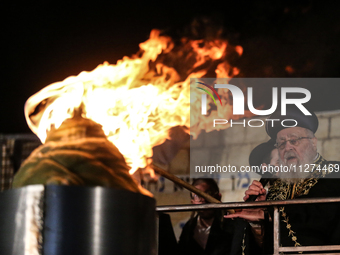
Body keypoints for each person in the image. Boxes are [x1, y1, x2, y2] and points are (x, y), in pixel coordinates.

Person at [226, 106, 340, 253]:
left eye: (294, 140)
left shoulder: (333, 172)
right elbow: (268, 246)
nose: (287, 147)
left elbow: (319, 216)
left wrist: (271, 214)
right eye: (281, 143)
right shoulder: (276, 190)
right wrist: (258, 221)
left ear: (313, 142)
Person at [178, 178, 234, 255]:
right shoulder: (189, 228)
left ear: (218, 197)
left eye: (208, 193)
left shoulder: (230, 225)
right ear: (193, 202)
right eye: (197, 195)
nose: (203, 200)